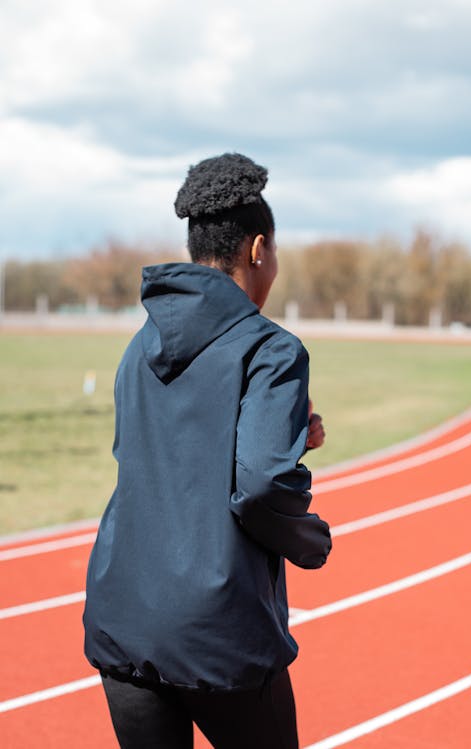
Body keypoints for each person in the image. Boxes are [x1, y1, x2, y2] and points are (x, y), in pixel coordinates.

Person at [83, 153, 332, 749]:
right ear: (256, 249)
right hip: (219, 633)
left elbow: (150, 455)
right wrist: (310, 537)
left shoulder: (138, 347)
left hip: (123, 617)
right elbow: (265, 483)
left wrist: (287, 429)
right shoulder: (271, 349)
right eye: (274, 255)